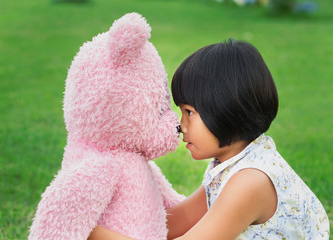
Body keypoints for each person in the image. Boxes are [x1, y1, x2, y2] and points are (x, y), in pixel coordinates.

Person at [88, 39, 330, 239]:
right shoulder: (232, 165)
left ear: (227, 108)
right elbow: (175, 222)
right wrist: (107, 222)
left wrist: (91, 233)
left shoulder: (251, 181)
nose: (180, 125)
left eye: (189, 112)